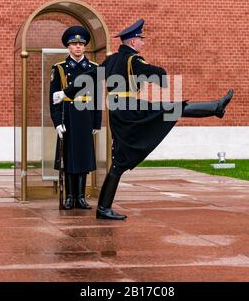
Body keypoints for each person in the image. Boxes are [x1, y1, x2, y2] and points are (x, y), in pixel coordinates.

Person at [96, 19, 234, 220]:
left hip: (120, 111)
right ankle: (103, 209)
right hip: (129, 111)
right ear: (133, 42)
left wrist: (67, 92)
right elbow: (159, 76)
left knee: (169, 112)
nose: (143, 43)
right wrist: (158, 72)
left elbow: (92, 74)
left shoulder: (111, 60)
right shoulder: (134, 61)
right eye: (141, 40)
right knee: (122, 158)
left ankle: (215, 107)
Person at [50, 25, 102, 210]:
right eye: (74, 44)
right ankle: (70, 197)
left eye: (81, 43)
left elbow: (97, 97)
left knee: (84, 157)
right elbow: (54, 99)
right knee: (69, 157)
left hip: (86, 117)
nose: (78, 47)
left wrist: (97, 122)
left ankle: (81, 196)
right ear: (68, 47)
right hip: (69, 117)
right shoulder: (60, 69)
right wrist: (57, 123)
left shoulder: (94, 68)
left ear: (85, 46)